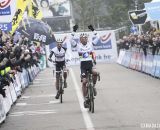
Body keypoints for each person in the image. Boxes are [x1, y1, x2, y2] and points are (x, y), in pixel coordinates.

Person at [70, 25, 99, 108]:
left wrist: (93, 30)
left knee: (96, 73)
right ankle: (85, 98)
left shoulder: (91, 44)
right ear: (80, 39)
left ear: (87, 39)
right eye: (82, 38)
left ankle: (93, 86)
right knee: (84, 82)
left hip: (90, 64)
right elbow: (71, 40)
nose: (84, 39)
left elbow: (97, 37)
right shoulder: (78, 45)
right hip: (83, 66)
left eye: (85, 38)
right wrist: (74, 31)